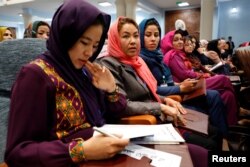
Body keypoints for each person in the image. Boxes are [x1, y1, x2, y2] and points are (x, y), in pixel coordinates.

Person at [4, 0, 129, 166]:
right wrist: (81, 150)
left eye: (95, 45)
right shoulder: (35, 76)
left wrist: (111, 89)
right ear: (66, 35)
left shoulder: (83, 72)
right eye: (84, 42)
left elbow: (114, 113)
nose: (89, 52)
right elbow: (17, 152)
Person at [97, 16, 208, 167]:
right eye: (125, 36)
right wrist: (160, 106)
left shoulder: (136, 61)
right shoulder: (109, 64)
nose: (133, 41)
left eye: (136, 36)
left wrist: (164, 99)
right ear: (115, 38)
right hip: (141, 127)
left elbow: (150, 92)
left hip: (158, 119)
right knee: (204, 151)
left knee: (210, 131)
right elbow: (123, 105)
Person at [138, 18, 227, 149]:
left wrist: (179, 84)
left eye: (156, 35)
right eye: (147, 35)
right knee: (215, 95)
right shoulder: (141, 60)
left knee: (217, 97)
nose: (153, 39)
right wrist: (179, 88)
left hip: (174, 95)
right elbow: (151, 89)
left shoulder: (158, 56)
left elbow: (166, 82)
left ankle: (224, 138)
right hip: (171, 100)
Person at [161, 30, 238, 126]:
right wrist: (204, 75)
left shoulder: (181, 54)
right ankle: (237, 111)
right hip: (187, 88)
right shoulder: (172, 55)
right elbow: (185, 74)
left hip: (192, 83)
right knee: (223, 79)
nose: (180, 42)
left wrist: (206, 74)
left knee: (228, 95)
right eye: (176, 40)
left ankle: (231, 125)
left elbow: (195, 69)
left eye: (181, 39)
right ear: (169, 42)